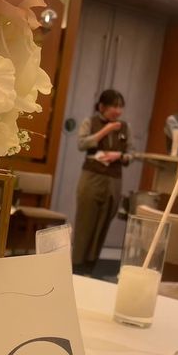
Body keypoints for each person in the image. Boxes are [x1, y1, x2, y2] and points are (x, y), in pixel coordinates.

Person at [72, 89, 133, 275]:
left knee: (103, 223)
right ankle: (76, 266)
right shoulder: (90, 122)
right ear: (102, 107)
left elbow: (131, 153)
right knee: (85, 222)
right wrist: (105, 130)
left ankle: (90, 267)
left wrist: (119, 156)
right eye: (114, 106)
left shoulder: (125, 127)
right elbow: (81, 144)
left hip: (114, 179)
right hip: (92, 177)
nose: (118, 111)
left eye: (120, 107)